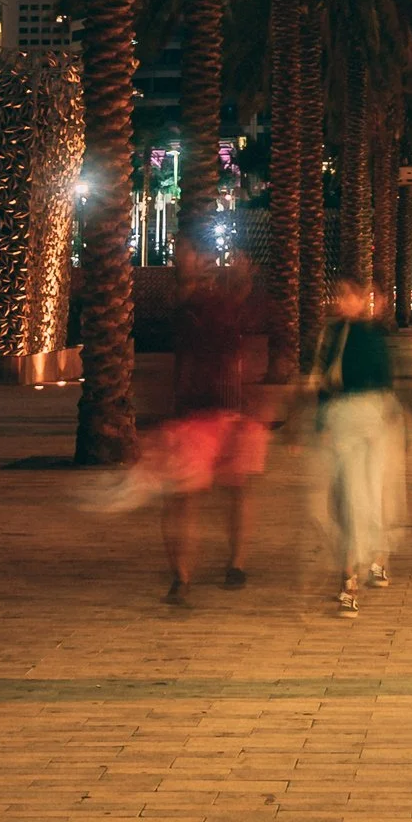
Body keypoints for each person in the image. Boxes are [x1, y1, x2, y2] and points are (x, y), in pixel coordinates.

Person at [159, 242, 267, 601]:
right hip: (191, 412)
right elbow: (182, 308)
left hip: (231, 405)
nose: (191, 259)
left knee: (236, 488)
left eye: (192, 252)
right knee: (184, 495)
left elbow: (246, 324)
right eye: (184, 253)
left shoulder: (221, 297)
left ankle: (236, 563)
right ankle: (182, 576)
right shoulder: (181, 299)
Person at [313, 276, 412, 615]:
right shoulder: (333, 333)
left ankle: (352, 578)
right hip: (342, 423)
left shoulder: (374, 335)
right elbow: (324, 383)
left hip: (372, 422)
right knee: (345, 498)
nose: (342, 301)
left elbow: (389, 381)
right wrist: (318, 424)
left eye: (348, 295)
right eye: (339, 295)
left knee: (368, 496)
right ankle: (357, 566)